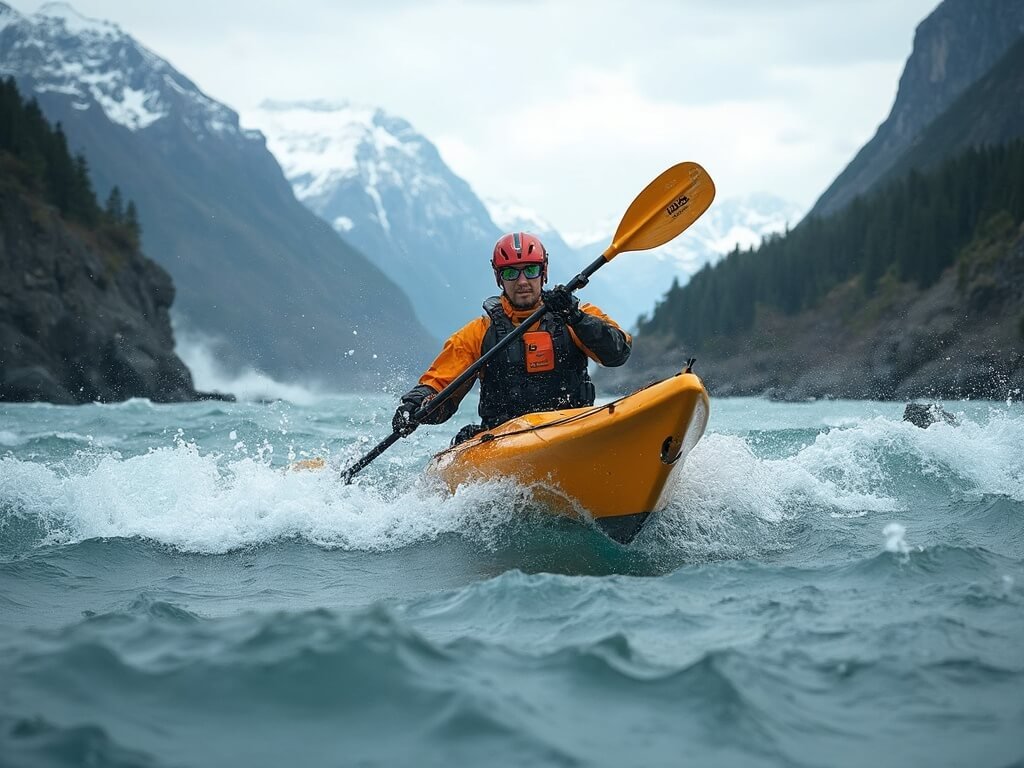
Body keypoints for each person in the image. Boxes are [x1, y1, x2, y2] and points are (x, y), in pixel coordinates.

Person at [392, 232, 632, 444]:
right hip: (504, 439)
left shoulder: (577, 315)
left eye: (530, 270)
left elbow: (618, 353)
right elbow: (438, 386)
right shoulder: (477, 334)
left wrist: (575, 317)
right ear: (499, 278)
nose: (522, 281)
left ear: (544, 272)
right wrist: (415, 404)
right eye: (510, 272)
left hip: (571, 427)